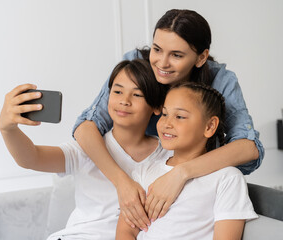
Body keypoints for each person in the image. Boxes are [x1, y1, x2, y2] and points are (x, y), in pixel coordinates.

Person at [73, 9, 264, 230]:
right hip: (138, 186)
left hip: (196, 188)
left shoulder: (221, 80)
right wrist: (122, 182)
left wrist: (180, 173)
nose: (162, 63)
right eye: (157, 49)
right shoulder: (136, 64)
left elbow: (249, 148)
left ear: (201, 57)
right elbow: (87, 127)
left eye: (176, 55)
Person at [0, 59, 169, 240]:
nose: (124, 101)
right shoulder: (88, 148)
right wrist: (8, 129)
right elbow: (32, 158)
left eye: (137, 95)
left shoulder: (168, 155)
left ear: (157, 106)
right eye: (117, 91)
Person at [115, 82, 258, 240]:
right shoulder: (146, 170)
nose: (166, 123)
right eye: (164, 114)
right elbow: (126, 231)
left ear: (210, 126)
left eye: (180, 116)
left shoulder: (227, 178)